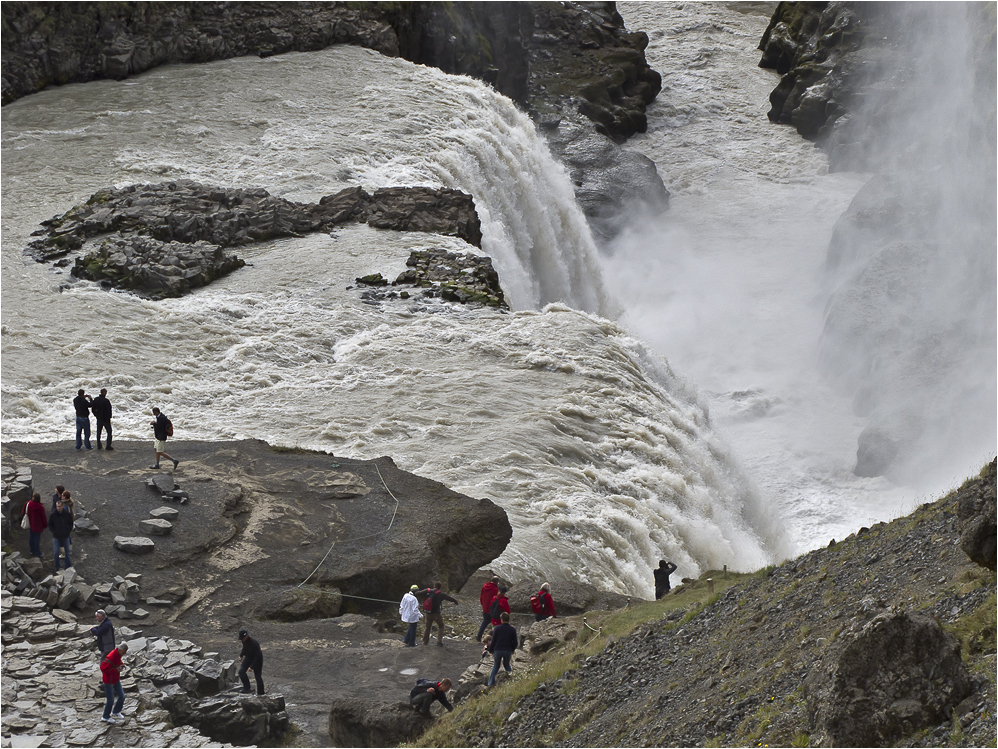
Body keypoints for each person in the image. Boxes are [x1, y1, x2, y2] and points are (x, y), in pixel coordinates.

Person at [421, 582, 458, 647]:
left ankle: (425, 642)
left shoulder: (428, 592)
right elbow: (449, 598)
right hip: (436, 613)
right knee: (441, 626)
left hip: (428, 613)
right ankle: (439, 641)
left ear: (434, 586)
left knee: (427, 627)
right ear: (440, 587)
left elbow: (418, 593)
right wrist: (455, 601)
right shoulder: (441, 594)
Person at [100, 641, 129, 724]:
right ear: (120, 650)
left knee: (122, 696)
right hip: (108, 680)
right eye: (124, 652)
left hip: (115, 679)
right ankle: (105, 716)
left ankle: (116, 711)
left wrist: (122, 664)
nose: (124, 653)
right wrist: (115, 670)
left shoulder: (118, 655)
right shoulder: (111, 656)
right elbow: (103, 668)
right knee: (110, 700)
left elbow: (118, 661)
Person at [487, 611, 518, 687]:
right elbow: (515, 642)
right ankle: (512, 681)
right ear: (508, 619)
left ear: (501, 619)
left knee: (496, 666)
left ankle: (490, 683)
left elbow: (493, 640)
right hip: (507, 650)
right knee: (507, 665)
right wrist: (512, 649)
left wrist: (491, 650)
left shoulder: (497, 629)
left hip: (498, 650)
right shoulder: (512, 629)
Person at [49, 496, 74, 570]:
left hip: (65, 536)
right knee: (56, 553)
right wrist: (54, 532)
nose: (58, 508)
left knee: (67, 552)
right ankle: (57, 566)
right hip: (56, 536)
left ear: (62, 506)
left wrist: (68, 531)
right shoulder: (53, 515)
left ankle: (68, 566)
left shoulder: (67, 514)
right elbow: (50, 525)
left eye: (59, 506)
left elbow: (71, 523)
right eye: (57, 506)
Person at [237, 629, 264, 695]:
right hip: (248, 658)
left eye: (243, 638)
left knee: (257, 676)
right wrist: (241, 655)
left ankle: (261, 693)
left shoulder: (254, 643)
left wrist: (252, 667)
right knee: (241, 671)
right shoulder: (244, 641)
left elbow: (258, 656)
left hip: (257, 660)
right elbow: (244, 648)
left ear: (246, 636)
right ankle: (247, 688)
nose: (242, 640)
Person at [23, 492, 47, 559]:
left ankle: (31, 550)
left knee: (31, 537)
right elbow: (43, 517)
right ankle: (37, 553)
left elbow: (23, 511)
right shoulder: (41, 507)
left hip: (31, 524)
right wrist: (45, 525)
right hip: (38, 525)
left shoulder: (28, 504)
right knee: (37, 539)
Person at [477, 575, 500, 641]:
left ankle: (479, 635)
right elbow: (496, 600)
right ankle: (494, 638)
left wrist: (482, 604)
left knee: (485, 621)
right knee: (495, 622)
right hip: (491, 609)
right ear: (497, 582)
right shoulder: (495, 589)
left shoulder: (484, 586)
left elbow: (481, 596)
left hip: (485, 607)